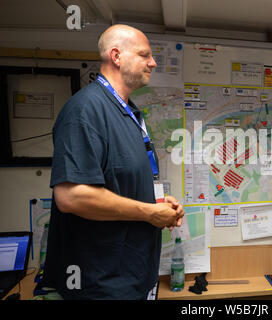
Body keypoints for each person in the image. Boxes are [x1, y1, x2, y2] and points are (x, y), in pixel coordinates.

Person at [42, 24, 184, 300]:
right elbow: (72, 196)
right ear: (116, 57)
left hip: (131, 277)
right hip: (100, 285)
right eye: (145, 55)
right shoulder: (86, 110)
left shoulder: (129, 112)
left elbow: (119, 182)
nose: (153, 63)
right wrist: (149, 213)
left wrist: (158, 203)